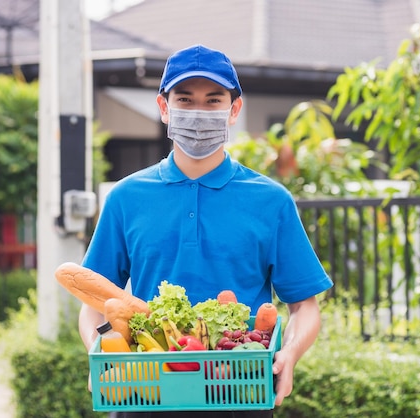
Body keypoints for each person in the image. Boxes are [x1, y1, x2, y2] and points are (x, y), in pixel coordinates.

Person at [78, 44, 333, 418]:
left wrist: (290, 353)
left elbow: (304, 306)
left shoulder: (271, 201)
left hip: (240, 392)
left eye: (213, 101)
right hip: (145, 395)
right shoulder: (126, 197)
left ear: (234, 110)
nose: (199, 112)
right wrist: (95, 353)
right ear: (164, 108)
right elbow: (94, 304)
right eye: (185, 99)